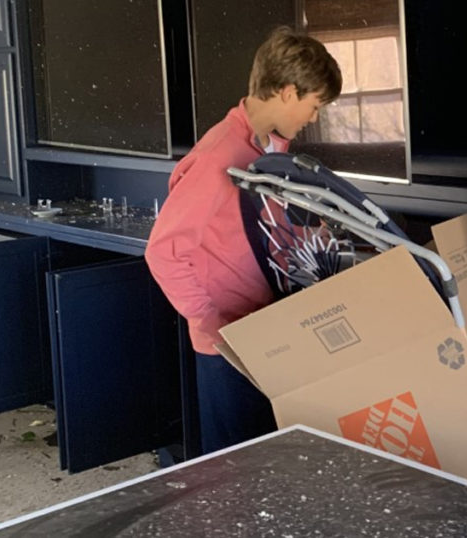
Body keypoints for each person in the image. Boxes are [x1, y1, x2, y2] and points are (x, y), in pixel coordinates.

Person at [145, 26, 342, 455]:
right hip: (229, 342)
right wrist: (208, 322)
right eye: (314, 106)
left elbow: (258, 227)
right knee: (236, 469)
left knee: (267, 458)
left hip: (265, 329)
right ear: (288, 92)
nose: (314, 118)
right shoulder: (219, 155)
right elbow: (163, 251)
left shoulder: (267, 149)